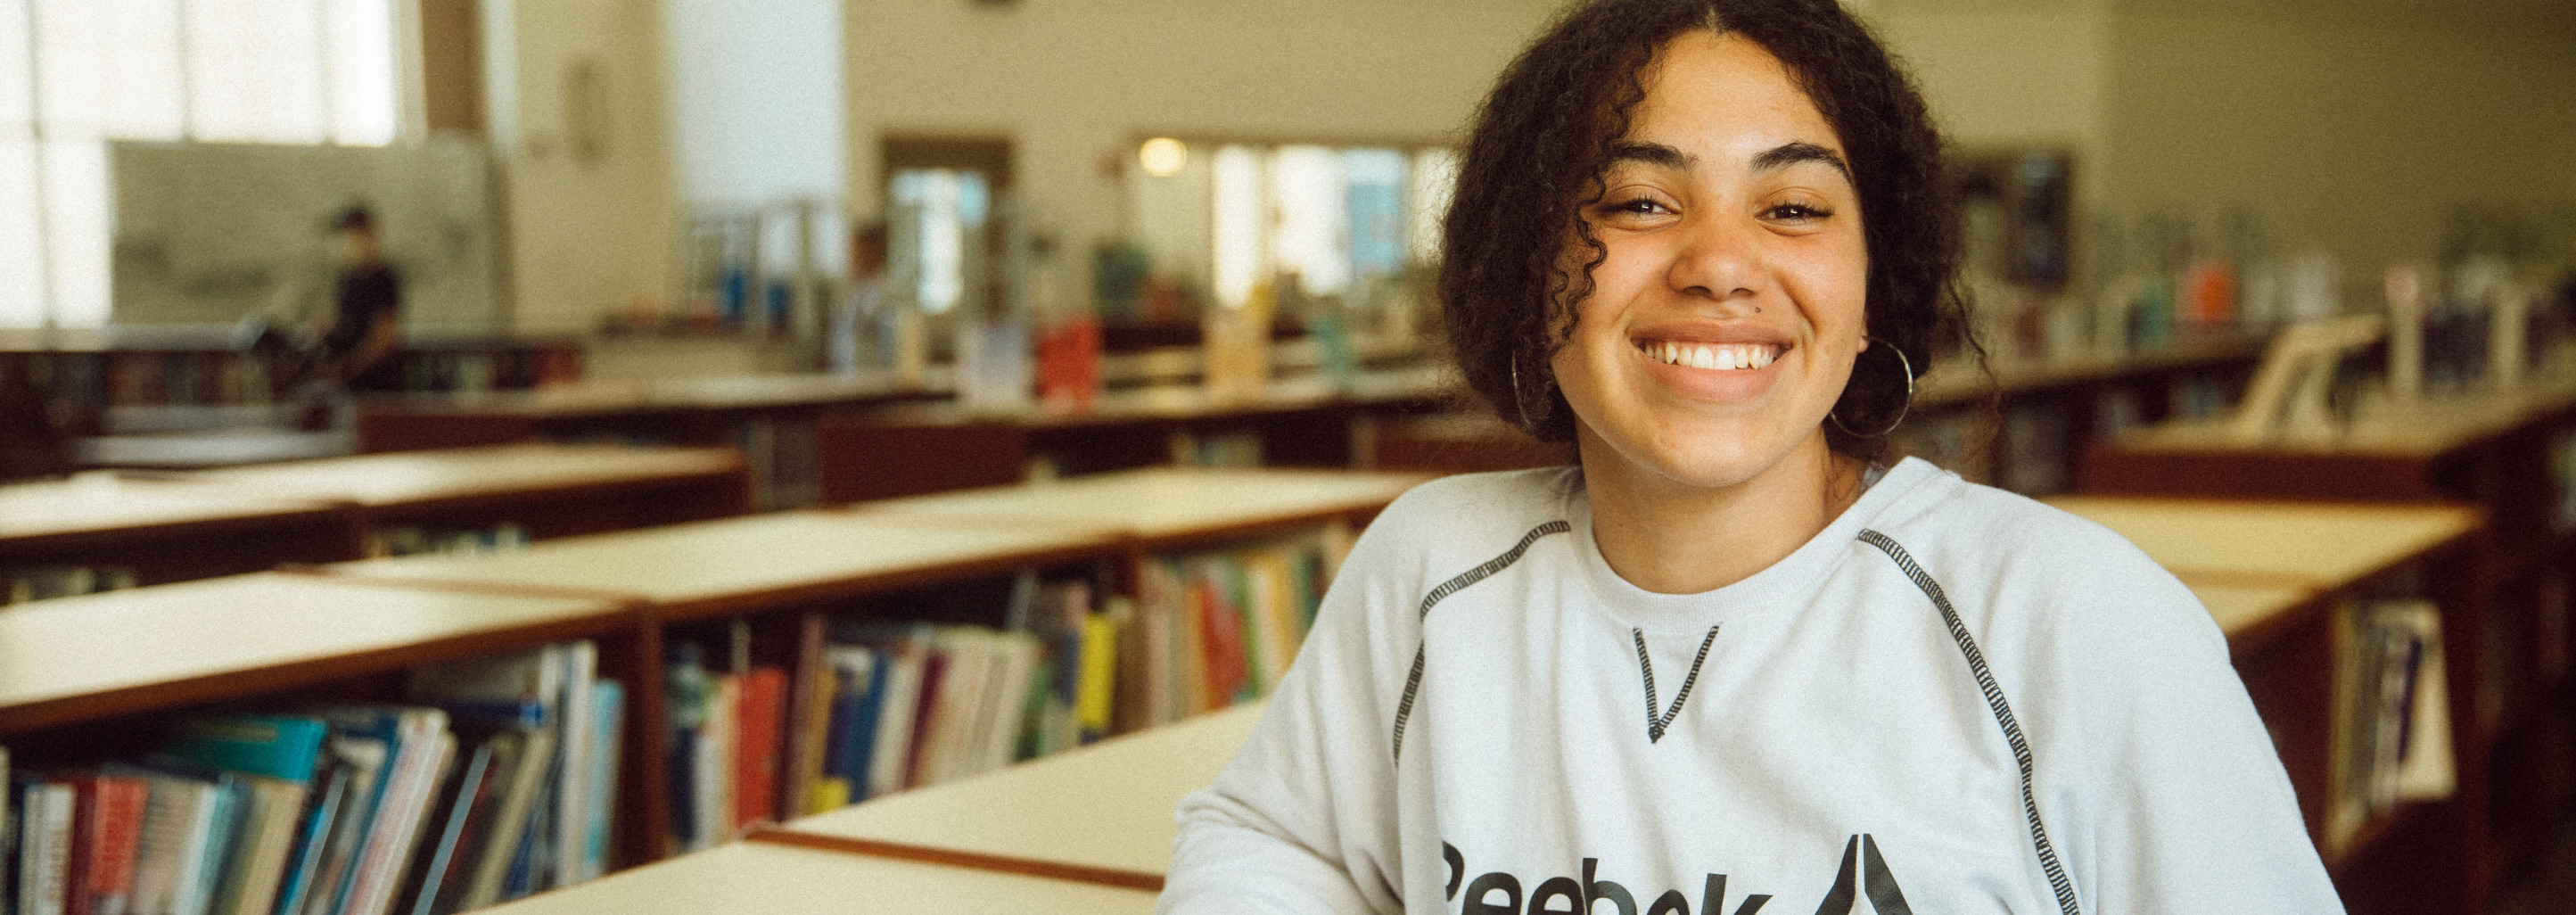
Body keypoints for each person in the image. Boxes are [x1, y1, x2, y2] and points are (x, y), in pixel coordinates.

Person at [1159, 1, 2341, 913]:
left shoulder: (2073, 620)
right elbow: (1272, 838)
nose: (1720, 263)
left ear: (1878, 287)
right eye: (1637, 201)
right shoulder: (1430, 568)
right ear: (1527, 266)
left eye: (1792, 209)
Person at [316, 204, 405, 393]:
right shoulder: (348, 278)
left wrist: (346, 370)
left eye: (352, 234)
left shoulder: (383, 278)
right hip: (348, 381)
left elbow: (384, 338)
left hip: (375, 384)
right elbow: (341, 320)